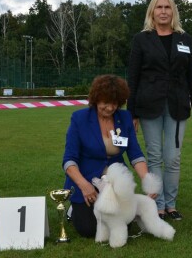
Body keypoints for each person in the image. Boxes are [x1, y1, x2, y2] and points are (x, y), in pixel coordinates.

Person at [127, 0, 192, 220]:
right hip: (148, 106)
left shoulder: (185, 39)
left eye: (167, 7)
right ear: (152, 11)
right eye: (159, 7)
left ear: (173, 12)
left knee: (173, 158)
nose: (163, 11)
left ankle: (171, 204)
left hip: (178, 106)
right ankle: (158, 205)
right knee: (154, 156)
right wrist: (131, 113)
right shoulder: (141, 39)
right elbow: (132, 78)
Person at [62, 74, 153, 238]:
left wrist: (147, 179)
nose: (110, 108)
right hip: (87, 181)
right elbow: (69, 159)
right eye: (105, 102)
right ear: (96, 99)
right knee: (89, 230)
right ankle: (75, 208)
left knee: (123, 225)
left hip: (115, 183)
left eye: (115, 103)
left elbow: (135, 154)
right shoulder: (79, 118)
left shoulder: (124, 118)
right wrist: (84, 185)